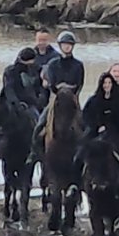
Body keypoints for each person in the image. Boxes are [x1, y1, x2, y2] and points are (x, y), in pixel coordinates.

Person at [29, 30, 85, 163]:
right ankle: (34, 154)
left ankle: (83, 157)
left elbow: (79, 84)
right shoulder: (53, 64)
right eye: (64, 44)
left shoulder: (78, 65)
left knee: (84, 126)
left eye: (69, 45)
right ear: (60, 46)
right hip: (55, 99)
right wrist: (61, 89)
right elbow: (52, 84)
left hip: (72, 100)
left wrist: (69, 91)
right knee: (39, 126)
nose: (67, 47)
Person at [82, 73, 119, 142]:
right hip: (94, 130)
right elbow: (86, 116)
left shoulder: (117, 100)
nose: (107, 85)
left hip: (112, 131)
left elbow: (118, 118)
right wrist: (97, 127)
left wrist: (106, 127)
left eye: (109, 83)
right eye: (105, 83)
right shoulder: (93, 100)